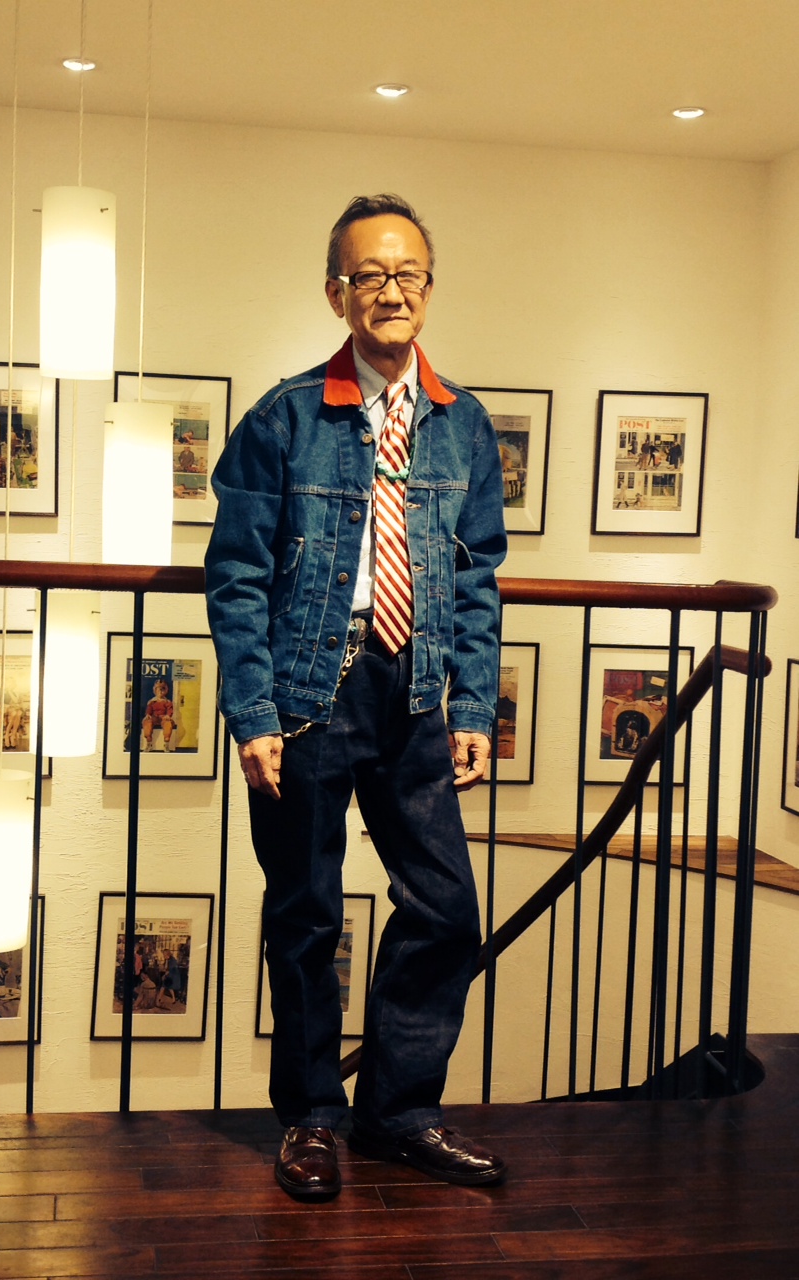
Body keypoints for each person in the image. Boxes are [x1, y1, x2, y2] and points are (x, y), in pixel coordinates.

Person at [205, 194, 508, 1201]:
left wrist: (473, 706)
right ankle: (310, 1117)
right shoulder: (283, 416)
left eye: (406, 273)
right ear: (335, 291)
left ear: (429, 287)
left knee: (445, 906)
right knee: (306, 913)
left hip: (414, 692)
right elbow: (236, 576)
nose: (390, 290)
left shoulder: (462, 423)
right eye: (368, 274)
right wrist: (252, 716)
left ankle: (398, 1110)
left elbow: (477, 574)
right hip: (307, 695)